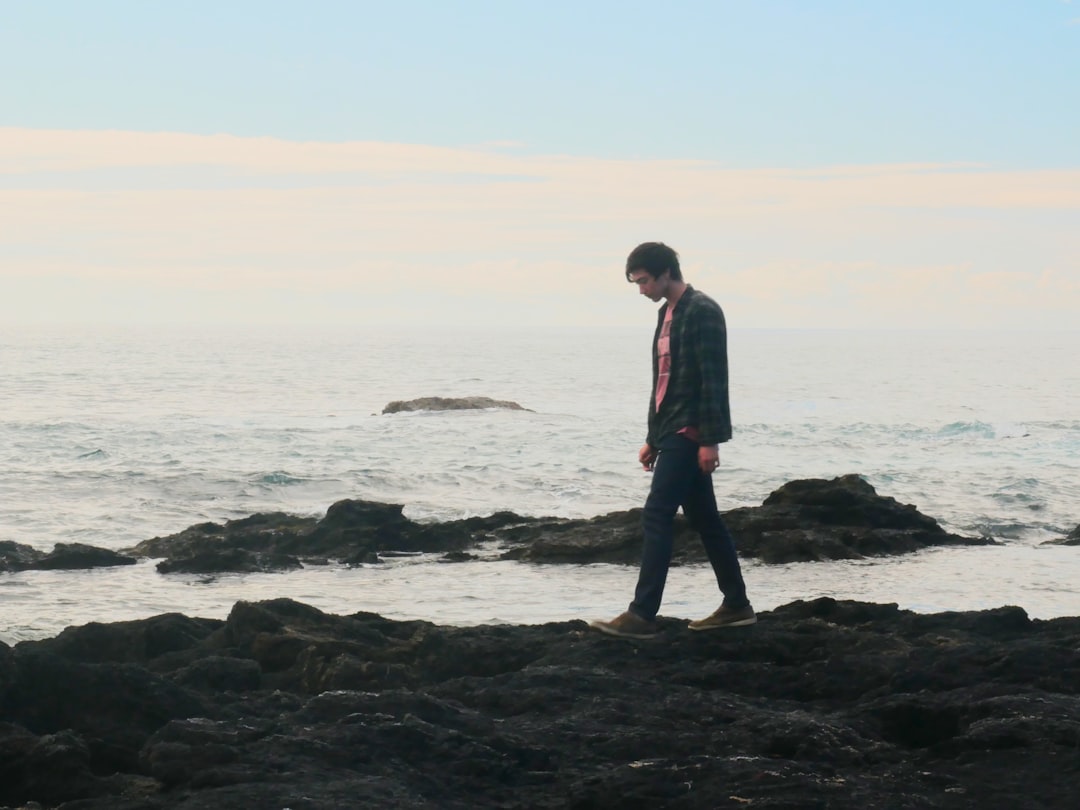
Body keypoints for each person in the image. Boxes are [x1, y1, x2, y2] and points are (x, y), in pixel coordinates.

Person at [590, 242, 755, 639]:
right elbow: (663, 382)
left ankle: (642, 614)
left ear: (666, 272)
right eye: (637, 283)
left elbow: (714, 380)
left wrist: (710, 441)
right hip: (671, 431)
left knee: (656, 514)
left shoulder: (703, 310)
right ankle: (737, 605)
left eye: (645, 281)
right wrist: (653, 437)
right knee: (705, 519)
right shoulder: (667, 312)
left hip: (691, 432)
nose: (641, 290)